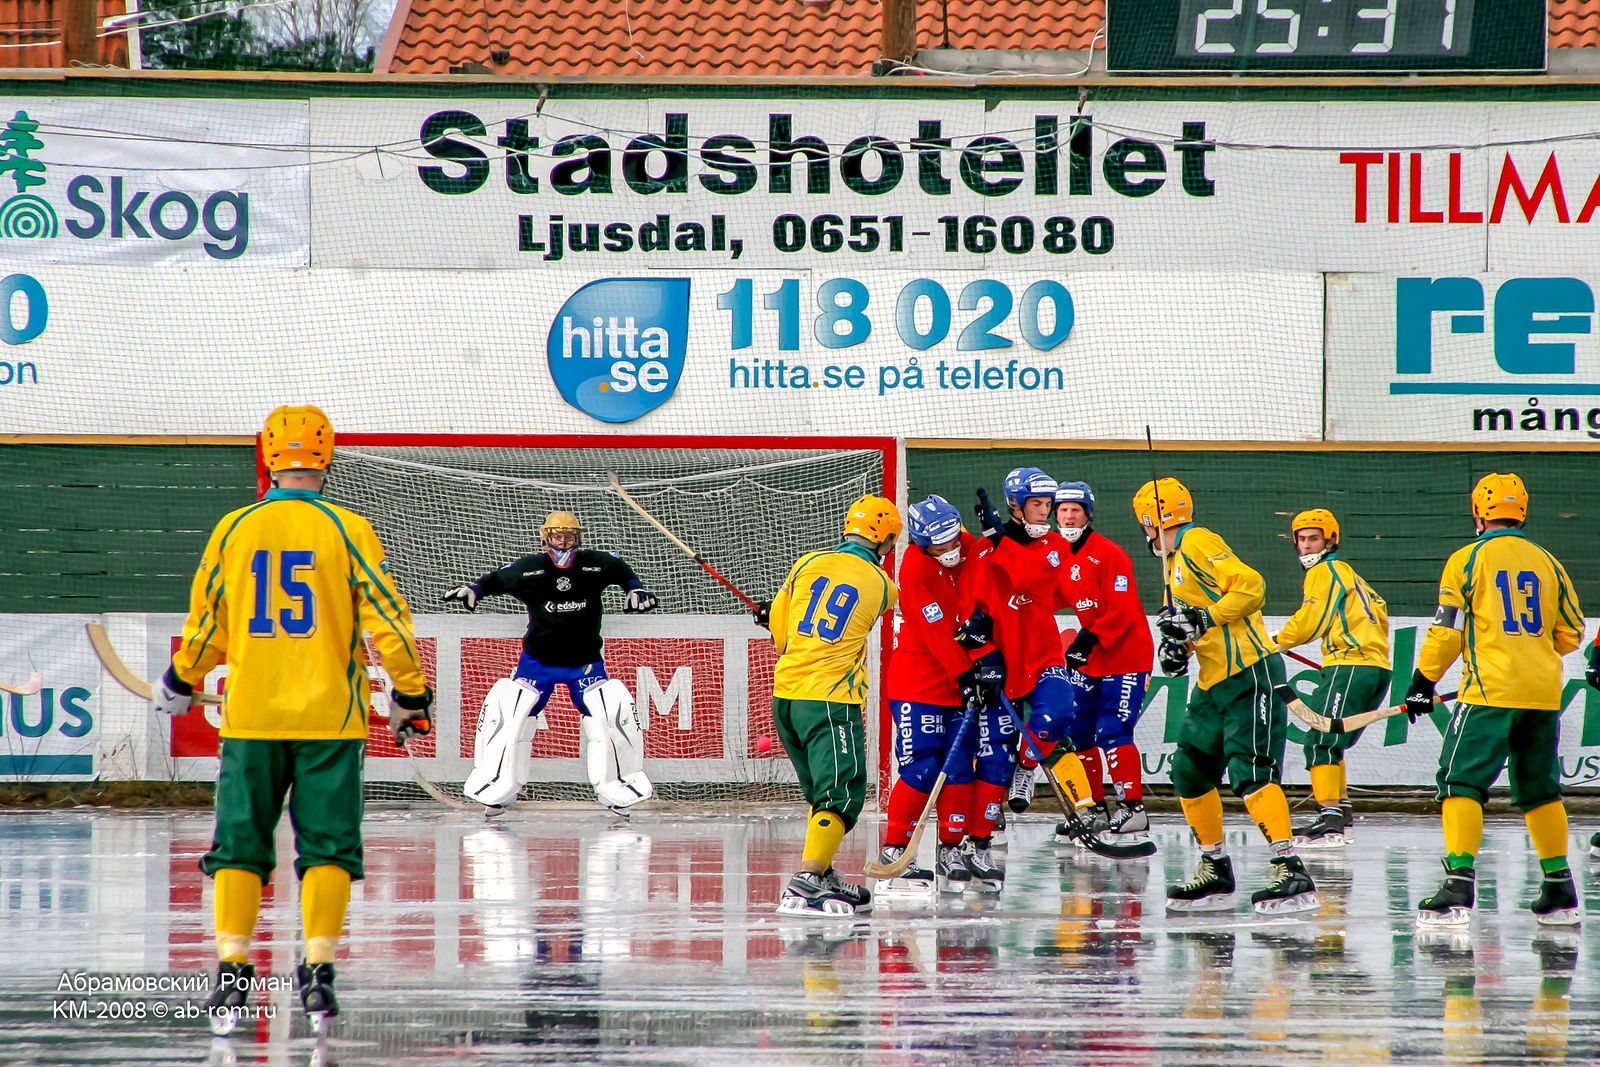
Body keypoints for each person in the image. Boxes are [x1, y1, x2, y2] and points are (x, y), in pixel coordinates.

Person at [154, 405, 434, 1034]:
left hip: (252, 717)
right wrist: (411, 693)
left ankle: (231, 971)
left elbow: (209, 622)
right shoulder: (350, 529)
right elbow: (388, 621)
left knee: (239, 847)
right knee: (329, 848)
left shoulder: (234, 528)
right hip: (330, 721)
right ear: (326, 456)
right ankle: (318, 971)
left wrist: (181, 679)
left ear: (269, 456)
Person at [1406, 473, 1585, 927]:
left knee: (1460, 782)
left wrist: (1423, 680)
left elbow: (1447, 631)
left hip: (1488, 692)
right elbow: (1572, 632)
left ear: (1478, 511)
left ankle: (1458, 881)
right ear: (1522, 510)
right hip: (1543, 695)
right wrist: (1530, 654)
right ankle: (1559, 884)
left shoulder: (1466, 560)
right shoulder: (1549, 562)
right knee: (1541, 789)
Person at [1134, 476, 1316, 915]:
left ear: (1149, 520)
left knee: (1250, 771)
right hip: (1213, 681)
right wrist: (1177, 648)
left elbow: (1251, 587)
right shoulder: (1172, 565)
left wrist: (1203, 618)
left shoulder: (1196, 541)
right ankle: (1215, 865)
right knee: (1190, 770)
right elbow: (1190, 623)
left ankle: (1290, 866)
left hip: (1249, 672)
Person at [442, 511, 659, 814]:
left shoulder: (595, 564)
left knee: (609, 714)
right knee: (510, 715)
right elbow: (495, 579)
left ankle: (616, 788)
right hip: (538, 661)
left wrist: (635, 588)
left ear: (578, 538)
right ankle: (499, 787)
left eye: (569, 536)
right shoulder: (530, 569)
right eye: (557, 536)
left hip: (584, 662)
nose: (563, 541)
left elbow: (621, 570)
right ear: (546, 538)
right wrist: (473, 591)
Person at [761, 494, 900, 916]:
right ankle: (806, 882)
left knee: (820, 795)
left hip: (786, 697)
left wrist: (771, 615)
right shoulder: (883, 587)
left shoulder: (805, 562)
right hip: (830, 700)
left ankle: (822, 873)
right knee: (840, 795)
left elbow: (782, 638)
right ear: (886, 540)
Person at [965, 467, 1106, 856]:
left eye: (1049, 504)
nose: (1047, 512)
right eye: (1037, 504)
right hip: (1002, 660)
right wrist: (979, 646)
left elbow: (1029, 580)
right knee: (992, 748)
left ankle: (1027, 767)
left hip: (1043, 654)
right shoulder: (983, 549)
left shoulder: (1057, 547)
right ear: (1015, 505)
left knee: (1060, 713)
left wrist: (1000, 539)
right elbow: (973, 605)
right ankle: (985, 824)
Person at [879, 495, 990, 892]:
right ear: (921, 542)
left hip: (961, 676)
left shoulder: (963, 542)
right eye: (938, 544)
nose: (949, 549)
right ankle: (895, 850)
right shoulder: (914, 569)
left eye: (952, 540)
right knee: (923, 768)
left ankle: (951, 849)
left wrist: (998, 533)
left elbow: (991, 560)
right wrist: (965, 674)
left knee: (960, 767)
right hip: (919, 683)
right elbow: (937, 634)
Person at [1271, 508, 1391, 848]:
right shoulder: (1352, 575)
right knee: (1333, 744)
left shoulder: (1326, 571)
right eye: (1302, 539)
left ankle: (1329, 820)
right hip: (1374, 668)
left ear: (1331, 540)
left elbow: (1312, 619)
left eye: (1314, 539)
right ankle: (1340, 812)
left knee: (1319, 740)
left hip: (1350, 666)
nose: (1307, 546)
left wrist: (1275, 642)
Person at [1048, 480, 1156, 839]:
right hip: (1092, 658)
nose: (1068, 516)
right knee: (1079, 732)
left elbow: (1122, 609)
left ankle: (1132, 808)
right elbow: (1046, 596)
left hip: (1126, 655)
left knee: (1112, 730)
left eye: (1075, 510)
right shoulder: (1056, 555)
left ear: (1087, 514)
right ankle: (1092, 807)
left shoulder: (1111, 553)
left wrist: (1088, 637)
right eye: (1062, 510)